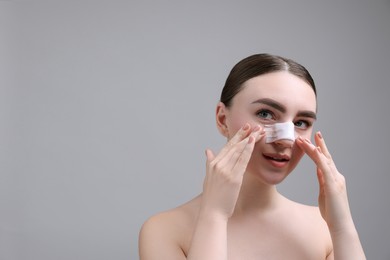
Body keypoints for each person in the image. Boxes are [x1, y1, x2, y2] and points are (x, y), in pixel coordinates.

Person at [138, 53, 366, 260]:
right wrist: (214, 215)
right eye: (265, 114)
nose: (285, 139)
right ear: (221, 119)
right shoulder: (164, 230)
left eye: (300, 123)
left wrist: (342, 228)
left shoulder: (324, 228)